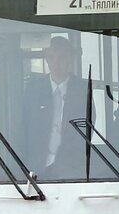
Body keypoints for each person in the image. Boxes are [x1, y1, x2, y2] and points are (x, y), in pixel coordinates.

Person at [22, 36, 89, 179]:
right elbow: (25, 127)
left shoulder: (82, 90)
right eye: (51, 58)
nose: (56, 63)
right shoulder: (34, 90)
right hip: (37, 166)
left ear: (70, 59)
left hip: (73, 167)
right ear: (46, 59)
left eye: (62, 58)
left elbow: (86, 128)